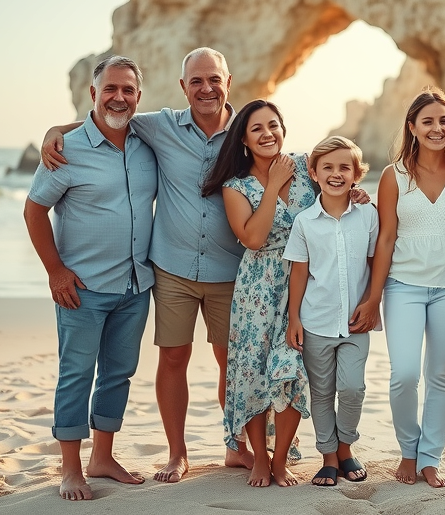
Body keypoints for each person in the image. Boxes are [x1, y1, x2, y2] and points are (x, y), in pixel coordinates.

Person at [41, 48, 254, 482]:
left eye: (214, 79)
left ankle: (236, 445)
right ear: (182, 87)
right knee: (171, 358)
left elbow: (286, 161)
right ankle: (177, 454)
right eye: (196, 81)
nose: (206, 88)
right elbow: (104, 119)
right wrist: (54, 129)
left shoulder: (245, 132)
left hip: (229, 269)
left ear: (228, 82)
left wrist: (351, 193)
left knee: (232, 361)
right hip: (170, 269)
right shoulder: (161, 126)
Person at [23, 56, 156, 501]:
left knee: (118, 373)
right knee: (76, 374)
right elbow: (34, 209)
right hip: (82, 288)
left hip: (136, 286)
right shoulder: (67, 148)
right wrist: (55, 270)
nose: (119, 97)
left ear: (139, 96)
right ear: (93, 95)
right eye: (110, 89)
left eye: (128, 90)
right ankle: (70, 468)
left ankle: (103, 456)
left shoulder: (146, 142)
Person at [356, 87, 445, 488]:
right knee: (404, 374)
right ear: (413, 127)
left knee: (440, 376)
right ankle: (408, 449)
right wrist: (373, 298)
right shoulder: (394, 176)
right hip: (402, 285)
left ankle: (430, 458)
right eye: (428, 121)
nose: (437, 128)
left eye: (444, 121)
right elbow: (385, 238)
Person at [200, 99, 315, 488]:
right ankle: (260, 461)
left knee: (293, 371)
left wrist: (357, 198)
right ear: (245, 141)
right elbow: (252, 236)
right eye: (257, 129)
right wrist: (273, 188)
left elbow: (339, 183)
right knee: (251, 373)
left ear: (283, 129)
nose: (268, 134)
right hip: (258, 287)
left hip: (303, 282)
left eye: (274, 126)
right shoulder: (236, 186)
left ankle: (281, 459)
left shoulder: (306, 166)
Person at [283, 136, 380, 487]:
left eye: (344, 167)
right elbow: (299, 272)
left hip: (356, 323)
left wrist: (372, 302)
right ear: (314, 172)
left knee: (352, 388)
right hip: (316, 321)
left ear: (357, 174)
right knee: (321, 392)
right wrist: (294, 318)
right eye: (328, 167)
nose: (336, 174)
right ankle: (328, 457)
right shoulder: (305, 222)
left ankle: (345, 446)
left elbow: (375, 262)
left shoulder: (368, 215)